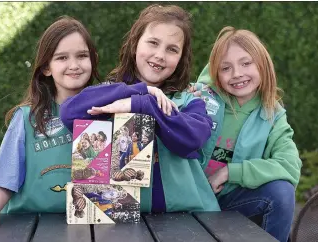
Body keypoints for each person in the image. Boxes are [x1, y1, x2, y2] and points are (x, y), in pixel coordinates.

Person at [60, 4, 220, 213]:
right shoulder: (111, 92)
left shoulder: (189, 100)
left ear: (181, 58)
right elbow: (69, 112)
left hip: (189, 218)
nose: (160, 55)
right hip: (118, 218)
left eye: (172, 49)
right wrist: (142, 91)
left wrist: (142, 105)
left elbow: (193, 138)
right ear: (135, 44)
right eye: (153, 43)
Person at [0, 16, 100, 240]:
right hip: (28, 226)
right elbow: (4, 179)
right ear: (47, 67)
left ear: (92, 60)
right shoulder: (27, 118)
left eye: (82, 56)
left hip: (87, 226)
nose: (74, 65)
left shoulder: (105, 113)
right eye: (62, 58)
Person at [189, 26, 302, 242]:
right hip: (187, 199)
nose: (237, 74)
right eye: (226, 68)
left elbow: (289, 165)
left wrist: (229, 172)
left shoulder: (273, 115)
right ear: (215, 73)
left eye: (246, 63)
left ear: (262, 64)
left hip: (230, 202)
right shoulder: (199, 99)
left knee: (281, 193)